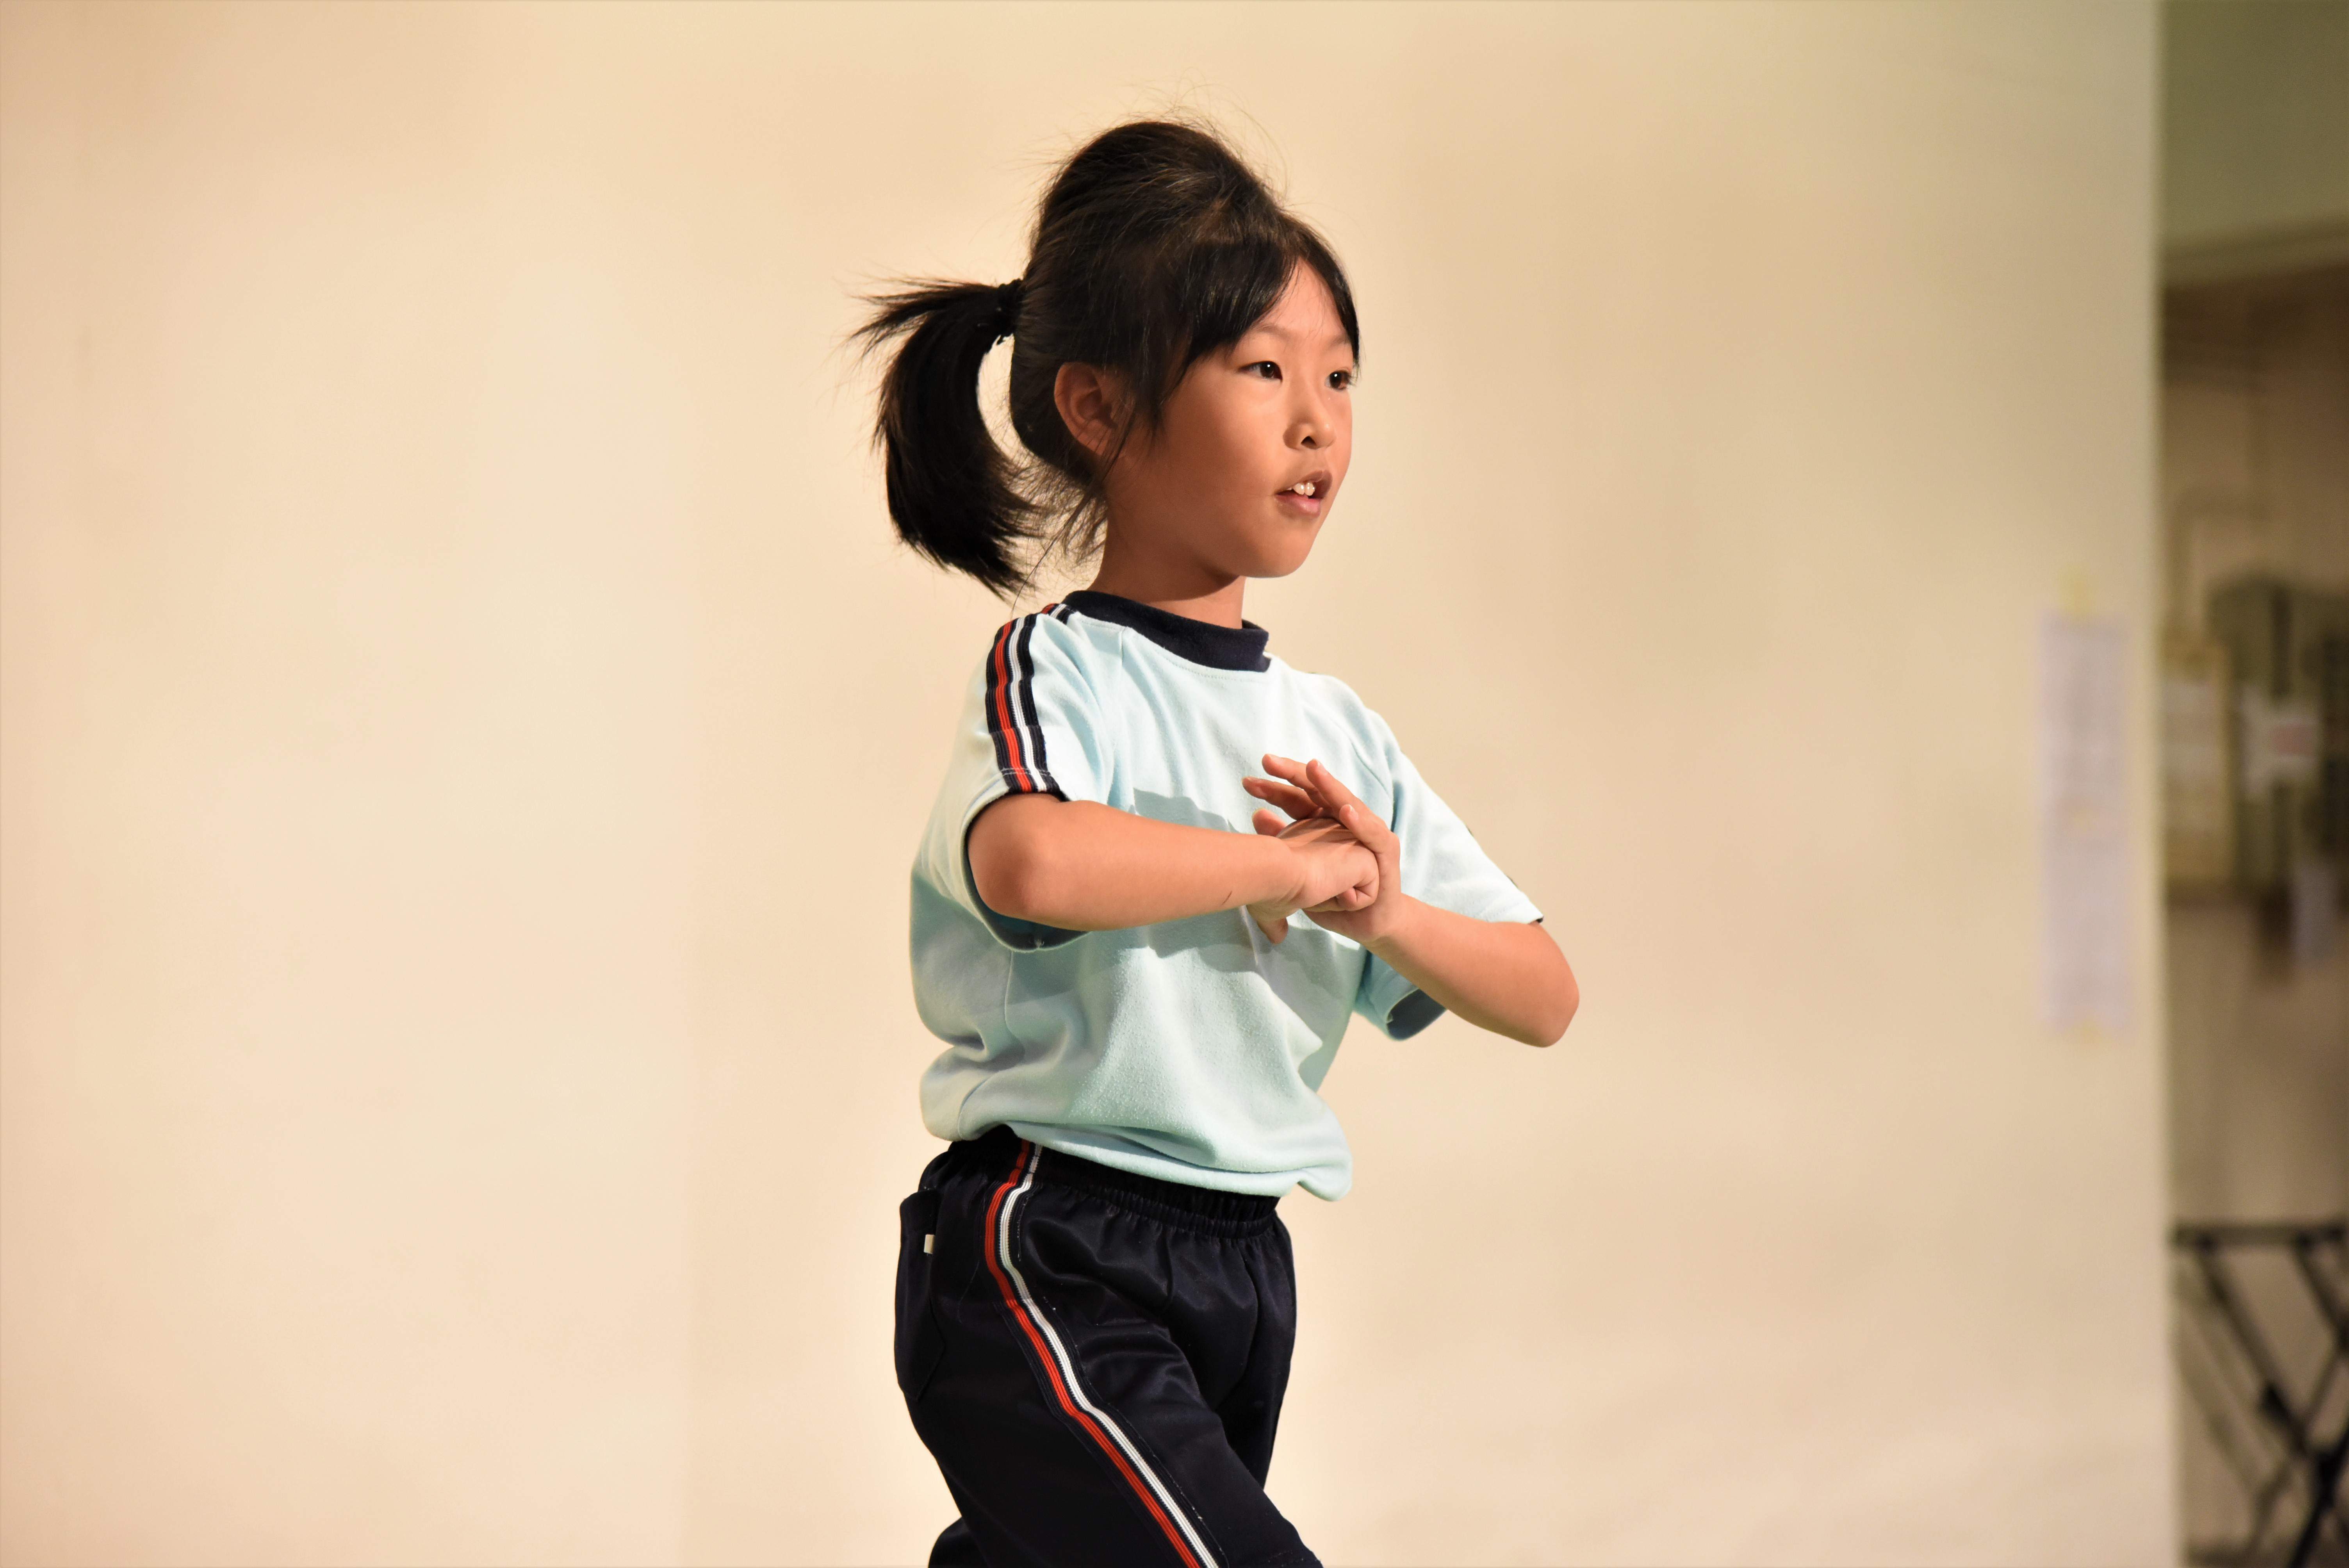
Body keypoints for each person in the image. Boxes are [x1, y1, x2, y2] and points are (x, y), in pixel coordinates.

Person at [855, 118, 1579, 1568]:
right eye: (1263, 370)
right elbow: (1034, 865)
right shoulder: (1060, 671)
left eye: (1340, 376)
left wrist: (1383, 914)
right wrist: (1286, 869)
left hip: (1243, 1266)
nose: (1318, 421)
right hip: (1051, 1244)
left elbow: (1545, 992)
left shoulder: (1334, 732)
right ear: (1100, 408)